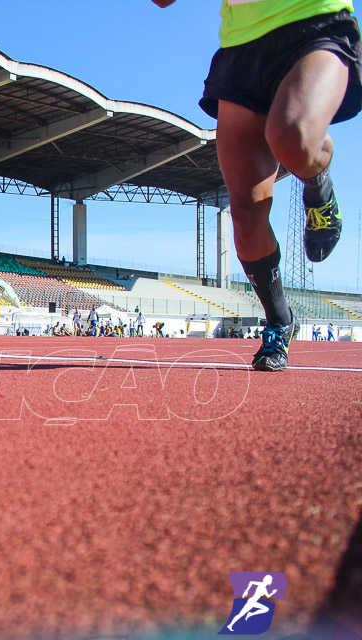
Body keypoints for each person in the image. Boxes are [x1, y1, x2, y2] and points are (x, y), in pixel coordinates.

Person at [152, 0, 360, 370]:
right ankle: (281, 321)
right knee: (246, 214)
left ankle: (319, 186)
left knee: (293, 135)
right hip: (242, 50)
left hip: (313, 24)